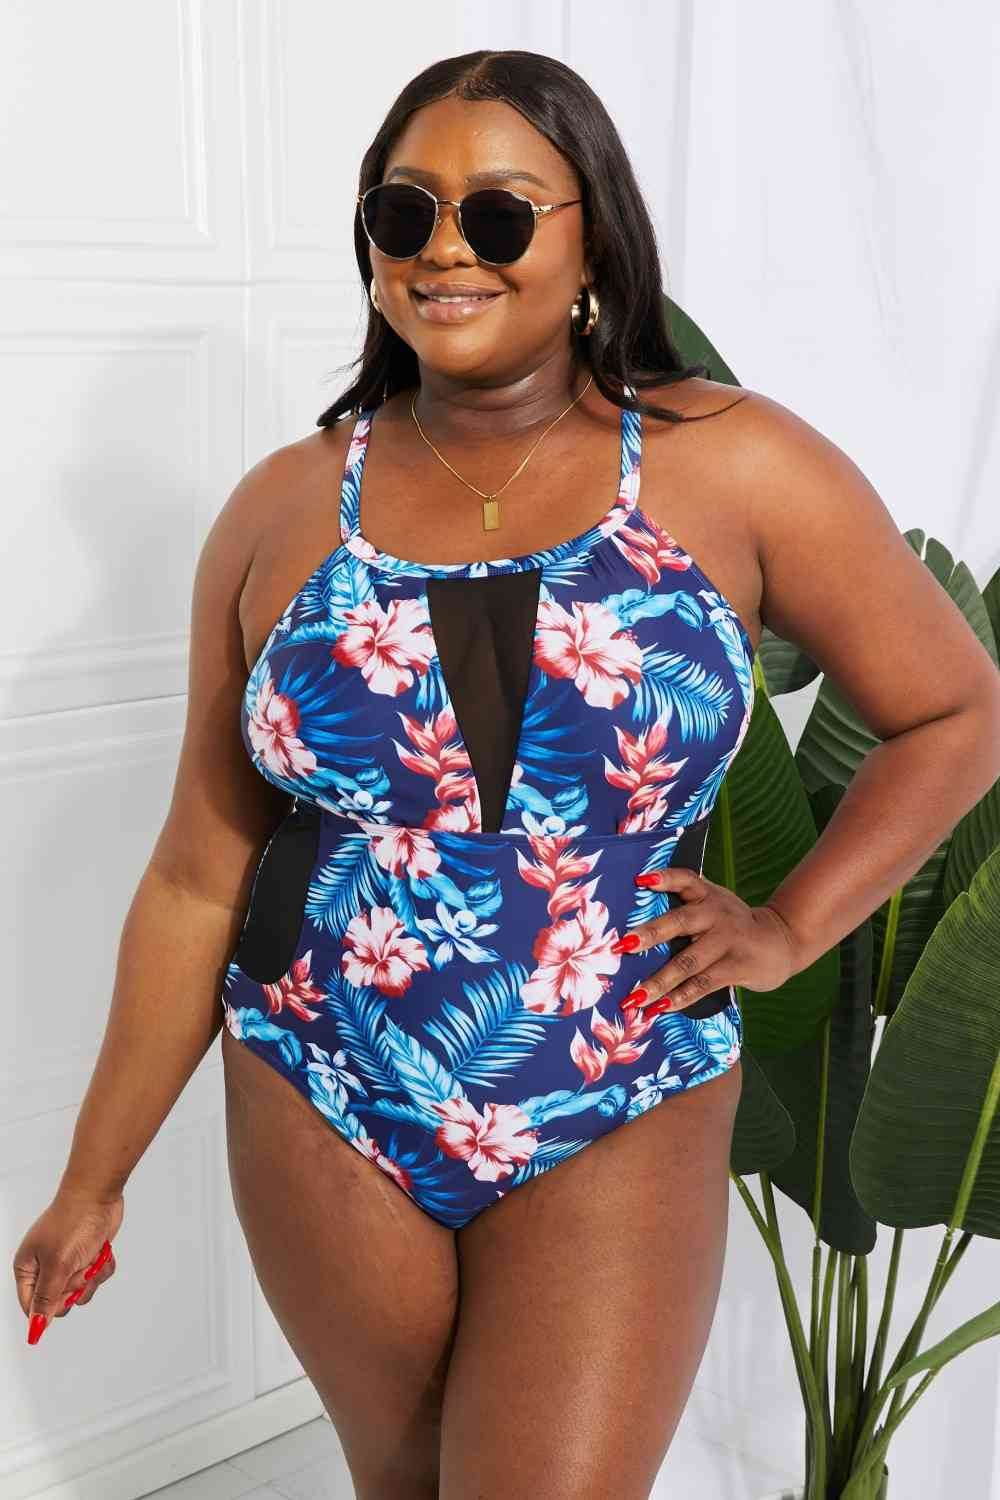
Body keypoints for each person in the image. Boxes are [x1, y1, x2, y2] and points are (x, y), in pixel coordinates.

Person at [13, 48, 1000, 1500]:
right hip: (321, 1075)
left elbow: (956, 710)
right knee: (403, 1485)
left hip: (619, 1070)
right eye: (404, 213)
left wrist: (792, 927)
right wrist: (92, 1179)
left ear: (593, 240)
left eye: (497, 213)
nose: (445, 251)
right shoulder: (284, 511)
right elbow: (194, 876)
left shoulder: (733, 468)